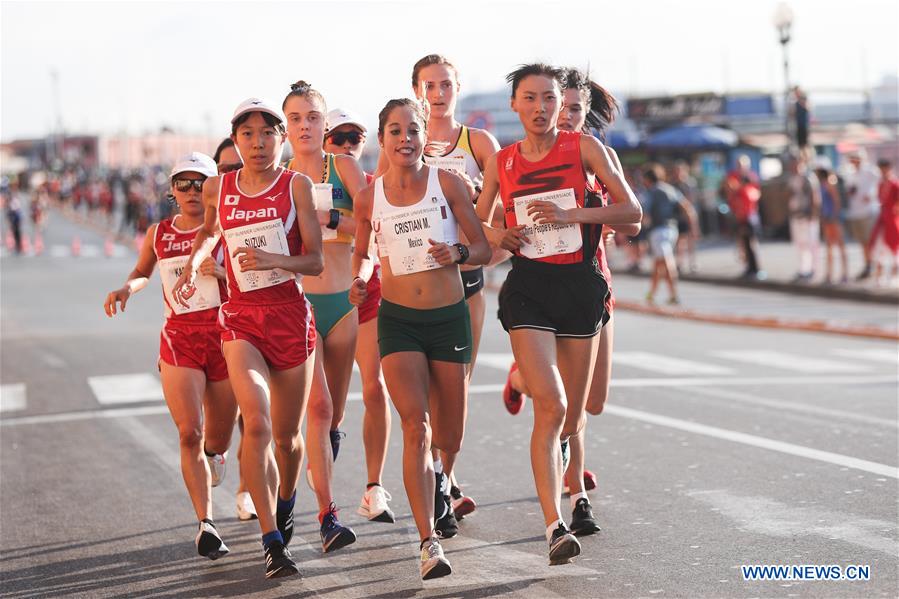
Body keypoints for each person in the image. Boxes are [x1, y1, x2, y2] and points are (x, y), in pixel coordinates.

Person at [476, 64, 641, 566]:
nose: (547, 109)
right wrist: (496, 236)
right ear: (516, 105)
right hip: (529, 287)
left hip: (584, 285)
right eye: (534, 98)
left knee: (581, 409)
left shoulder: (588, 150)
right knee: (553, 408)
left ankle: (524, 379)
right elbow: (480, 225)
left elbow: (631, 214)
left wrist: (575, 215)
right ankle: (558, 521)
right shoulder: (502, 162)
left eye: (555, 100)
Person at [171, 98, 324, 579]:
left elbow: (316, 260)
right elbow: (210, 233)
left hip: (289, 315)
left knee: (287, 438)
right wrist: (196, 261)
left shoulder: (296, 185)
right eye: (247, 135)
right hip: (241, 319)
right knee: (254, 424)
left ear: (280, 139)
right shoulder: (220, 186)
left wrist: (276, 261)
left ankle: (287, 500)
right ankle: (271, 540)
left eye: (266, 134)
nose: (257, 143)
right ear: (235, 140)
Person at [350, 98, 490, 580]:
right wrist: (361, 278)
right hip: (399, 322)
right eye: (395, 130)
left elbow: (483, 248)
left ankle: (442, 478)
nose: (405, 138)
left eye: (413, 130)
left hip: (448, 319)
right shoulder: (370, 197)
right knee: (416, 425)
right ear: (383, 139)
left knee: (450, 435)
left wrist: (456, 251)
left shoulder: (446, 183)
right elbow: (364, 254)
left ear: (422, 135)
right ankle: (428, 541)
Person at [104, 152, 238, 562]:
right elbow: (143, 270)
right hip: (179, 340)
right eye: (185, 183)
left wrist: (223, 274)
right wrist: (127, 289)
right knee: (189, 434)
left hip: (226, 338)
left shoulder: (227, 229)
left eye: (202, 183)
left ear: (214, 188)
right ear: (172, 191)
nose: (193, 191)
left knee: (215, 439)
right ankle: (206, 524)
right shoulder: (159, 233)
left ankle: (215, 457)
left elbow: (253, 279)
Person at [411, 54, 503, 533]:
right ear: (416, 90)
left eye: (445, 84)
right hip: (418, 277)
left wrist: (473, 199)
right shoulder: (405, 140)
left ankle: (445, 478)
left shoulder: (478, 142)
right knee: (426, 393)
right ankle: (439, 484)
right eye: (429, 85)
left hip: (466, 275)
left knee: (457, 386)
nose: (438, 93)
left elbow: (503, 195)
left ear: (457, 88)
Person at [280, 81, 366, 542]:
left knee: (333, 421)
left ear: (324, 121)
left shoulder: (345, 168)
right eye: (295, 119)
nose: (305, 126)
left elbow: (374, 223)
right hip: (300, 306)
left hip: (342, 303)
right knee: (318, 406)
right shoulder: (279, 177)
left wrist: (332, 218)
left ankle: (297, 488)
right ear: (286, 127)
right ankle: (327, 516)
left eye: (312, 117)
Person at [322, 108, 397, 524]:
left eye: (358, 137)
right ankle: (318, 494)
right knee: (327, 409)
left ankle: (373, 487)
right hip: (321, 296)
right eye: (341, 137)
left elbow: (376, 226)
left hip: (365, 292)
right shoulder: (300, 177)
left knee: (375, 388)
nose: (350, 145)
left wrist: (335, 218)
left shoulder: (368, 184)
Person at [211, 137, 255, 522]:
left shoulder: (259, 219)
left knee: (255, 418)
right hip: (209, 337)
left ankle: (246, 489)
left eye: (237, 167)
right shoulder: (207, 228)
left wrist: (225, 272)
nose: (233, 174)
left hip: (251, 331)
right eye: (225, 169)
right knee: (221, 425)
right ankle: (214, 449)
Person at [643, 164, 691, 304]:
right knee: (658, 263)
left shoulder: (652, 191)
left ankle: (674, 294)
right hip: (672, 228)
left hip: (658, 229)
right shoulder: (670, 189)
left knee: (666, 260)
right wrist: (691, 226)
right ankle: (651, 293)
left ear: (648, 179)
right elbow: (685, 206)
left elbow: (645, 213)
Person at [784, 151, 821, 282]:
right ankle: (803, 269)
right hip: (796, 215)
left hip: (807, 216)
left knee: (811, 243)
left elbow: (814, 197)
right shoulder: (792, 178)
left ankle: (812, 269)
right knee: (800, 244)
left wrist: (813, 214)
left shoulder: (808, 178)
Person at [843, 150, 879, 280]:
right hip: (855, 212)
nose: (853, 161)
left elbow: (880, 184)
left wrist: (872, 196)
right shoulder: (850, 174)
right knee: (863, 241)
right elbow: (848, 191)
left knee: (871, 241)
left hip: (868, 212)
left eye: (855, 158)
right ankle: (868, 265)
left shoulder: (870, 171)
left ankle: (874, 266)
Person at [725, 169, 763, 279]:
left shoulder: (745, 192)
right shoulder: (749, 191)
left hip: (747, 221)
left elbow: (743, 209)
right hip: (748, 220)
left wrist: (742, 221)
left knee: (750, 245)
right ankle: (751, 268)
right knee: (747, 245)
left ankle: (755, 269)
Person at [814, 160, 848, 284]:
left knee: (839, 246)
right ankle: (829, 274)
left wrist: (834, 216)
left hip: (833, 219)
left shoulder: (829, 184)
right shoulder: (822, 184)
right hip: (827, 218)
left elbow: (836, 201)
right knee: (829, 247)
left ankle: (844, 274)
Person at [868, 158, 899, 283]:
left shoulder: (894, 184)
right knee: (879, 247)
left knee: (893, 247)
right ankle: (879, 275)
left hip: (892, 219)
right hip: (883, 219)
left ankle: (893, 275)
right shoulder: (881, 184)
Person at [670, 161, 699, 273]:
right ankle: (679, 262)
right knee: (680, 241)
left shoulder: (689, 184)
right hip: (678, 217)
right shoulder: (673, 185)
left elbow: (692, 200)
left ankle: (693, 263)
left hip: (689, 215)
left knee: (691, 239)